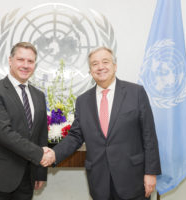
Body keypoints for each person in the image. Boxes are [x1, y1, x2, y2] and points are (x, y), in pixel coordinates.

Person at [41, 47, 161, 200]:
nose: (100, 67)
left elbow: (149, 135)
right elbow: (76, 136)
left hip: (133, 179)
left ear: (115, 66)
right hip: (99, 181)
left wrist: (150, 173)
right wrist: (54, 154)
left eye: (105, 62)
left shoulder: (136, 93)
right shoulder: (83, 101)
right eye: (95, 64)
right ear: (90, 70)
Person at [0, 42, 50, 200]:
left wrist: (40, 172)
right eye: (20, 59)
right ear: (10, 60)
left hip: (26, 178)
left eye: (30, 61)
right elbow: (4, 133)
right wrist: (40, 154)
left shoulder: (39, 95)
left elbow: (41, 135)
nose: (25, 65)